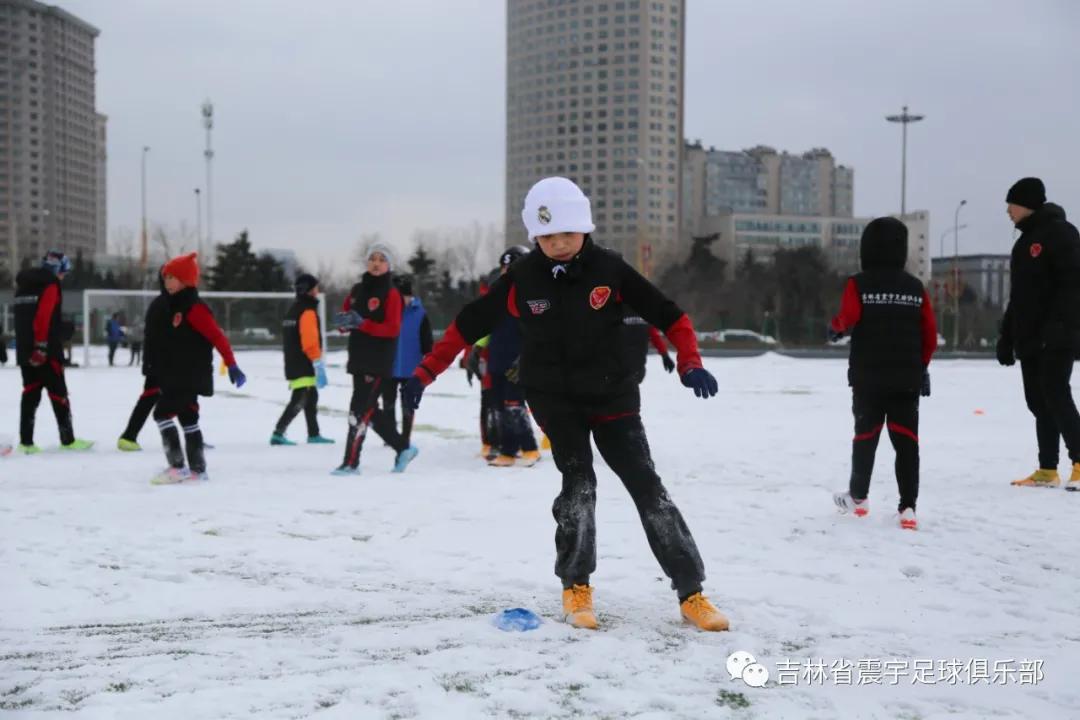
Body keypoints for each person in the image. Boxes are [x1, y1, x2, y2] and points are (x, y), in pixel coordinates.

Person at [403, 177, 727, 632]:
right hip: (553, 396)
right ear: (535, 236)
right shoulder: (521, 277)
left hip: (613, 394)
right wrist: (423, 373)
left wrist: (690, 363)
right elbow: (465, 326)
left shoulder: (610, 270)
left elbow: (671, 316)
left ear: (585, 230)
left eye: (567, 235)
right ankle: (576, 587)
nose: (558, 244)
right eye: (548, 236)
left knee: (647, 486)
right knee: (580, 485)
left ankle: (691, 592)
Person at [828, 217, 936, 530]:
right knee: (907, 441)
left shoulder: (858, 284)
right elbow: (929, 333)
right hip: (906, 379)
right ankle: (908, 508)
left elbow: (848, 317)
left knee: (865, 437)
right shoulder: (915, 288)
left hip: (868, 377)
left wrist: (834, 328)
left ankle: (859, 497)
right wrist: (921, 366)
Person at [995, 177, 1080, 491]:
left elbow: (1073, 287)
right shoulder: (1023, 243)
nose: (1007, 211)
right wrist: (1007, 336)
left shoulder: (1061, 234)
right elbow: (1019, 297)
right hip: (1029, 338)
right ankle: (1047, 468)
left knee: (1056, 395)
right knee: (1039, 402)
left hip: (1056, 335)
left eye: (1011, 204)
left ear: (1026, 203)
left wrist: (1062, 327)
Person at [150, 252, 246, 483]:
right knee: (189, 420)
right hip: (180, 374)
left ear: (186, 280)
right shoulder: (174, 306)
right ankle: (197, 470)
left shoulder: (194, 308)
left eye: (172, 277)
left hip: (188, 375)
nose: (167, 282)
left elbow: (217, 337)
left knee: (162, 414)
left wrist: (231, 364)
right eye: (166, 277)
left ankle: (177, 467)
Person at [332, 244, 418, 475]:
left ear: (389, 265)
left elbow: (391, 329)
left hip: (377, 360)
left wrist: (363, 324)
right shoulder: (358, 289)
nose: (376, 263)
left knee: (358, 412)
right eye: (372, 258)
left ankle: (351, 463)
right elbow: (348, 316)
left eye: (381, 259)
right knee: (368, 410)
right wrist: (344, 324)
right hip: (358, 357)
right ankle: (403, 447)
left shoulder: (391, 293)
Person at [13, 250, 93, 453]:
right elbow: (43, 315)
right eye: (63, 272)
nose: (63, 277)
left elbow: (24, 319)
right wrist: (42, 345)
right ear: (58, 269)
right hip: (46, 350)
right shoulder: (50, 284)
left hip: (24, 349)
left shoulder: (23, 286)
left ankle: (26, 442)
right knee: (59, 394)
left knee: (30, 394)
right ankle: (68, 440)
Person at [486, 245, 541, 467]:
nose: (508, 271)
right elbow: (485, 327)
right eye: (505, 267)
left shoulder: (532, 295)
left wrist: (527, 357)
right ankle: (515, 449)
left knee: (514, 404)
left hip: (520, 361)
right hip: (497, 359)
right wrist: (477, 351)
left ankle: (524, 449)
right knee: (501, 406)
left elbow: (538, 331)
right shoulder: (495, 294)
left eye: (513, 267)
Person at [271, 273, 334, 446]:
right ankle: (278, 432)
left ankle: (314, 434)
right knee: (300, 398)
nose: (317, 290)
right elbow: (309, 341)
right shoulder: (307, 312)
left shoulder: (293, 310)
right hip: (304, 363)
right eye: (316, 287)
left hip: (293, 361)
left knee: (311, 397)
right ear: (311, 291)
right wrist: (317, 362)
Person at [117, 270, 168, 451]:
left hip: (159, 362)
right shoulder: (163, 304)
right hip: (160, 363)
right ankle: (128, 436)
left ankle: (192, 434)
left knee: (180, 399)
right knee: (150, 398)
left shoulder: (164, 303)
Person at [381, 274, 432, 449]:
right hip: (388, 367)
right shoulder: (387, 313)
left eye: (400, 296)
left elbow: (427, 343)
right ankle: (390, 437)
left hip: (412, 369)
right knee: (387, 404)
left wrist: (427, 365)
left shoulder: (420, 314)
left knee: (407, 405)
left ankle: (405, 437)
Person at [621, 308, 676, 384]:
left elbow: (655, 337)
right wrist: (665, 355)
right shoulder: (645, 312)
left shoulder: (645, 313)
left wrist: (665, 356)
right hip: (627, 369)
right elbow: (655, 337)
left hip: (630, 369)